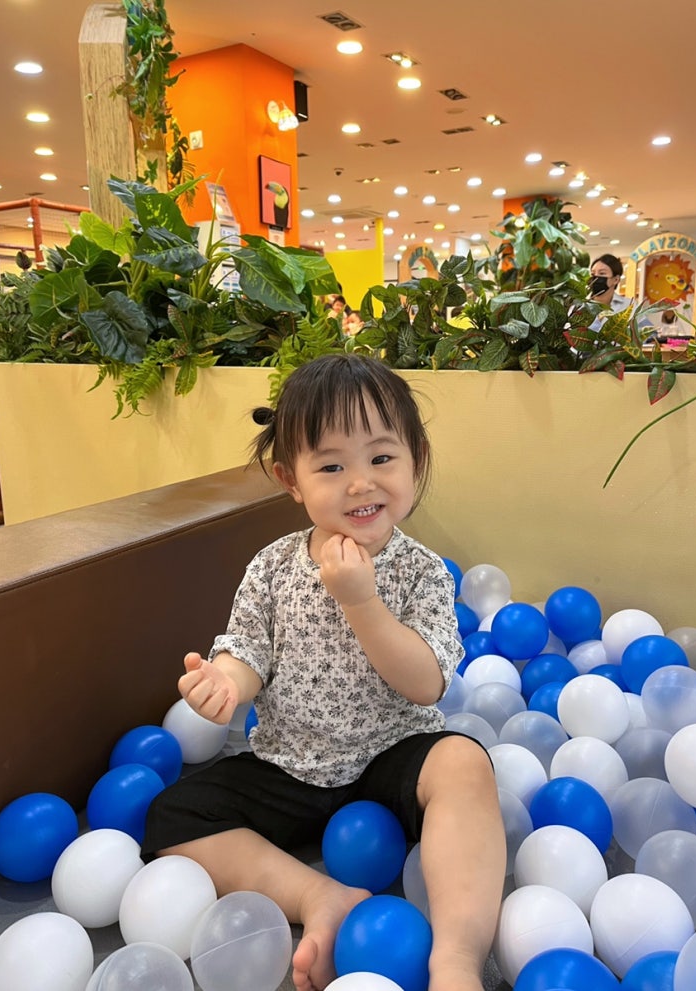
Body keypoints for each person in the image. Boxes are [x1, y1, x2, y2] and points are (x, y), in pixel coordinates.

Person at [141, 354, 506, 991]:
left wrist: (362, 602)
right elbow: (248, 649)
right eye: (332, 467)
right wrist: (227, 680)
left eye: (381, 458)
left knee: (465, 763)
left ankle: (456, 958)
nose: (360, 483)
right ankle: (318, 896)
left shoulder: (421, 571)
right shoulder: (272, 567)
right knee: (172, 816)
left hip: (393, 756)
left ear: (416, 459)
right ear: (291, 479)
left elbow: (426, 683)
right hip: (291, 765)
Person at [587, 253, 633, 331]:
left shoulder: (629, 306)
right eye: (593, 273)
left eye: (602, 273)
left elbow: (649, 334)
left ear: (616, 279)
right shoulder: (579, 305)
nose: (596, 277)